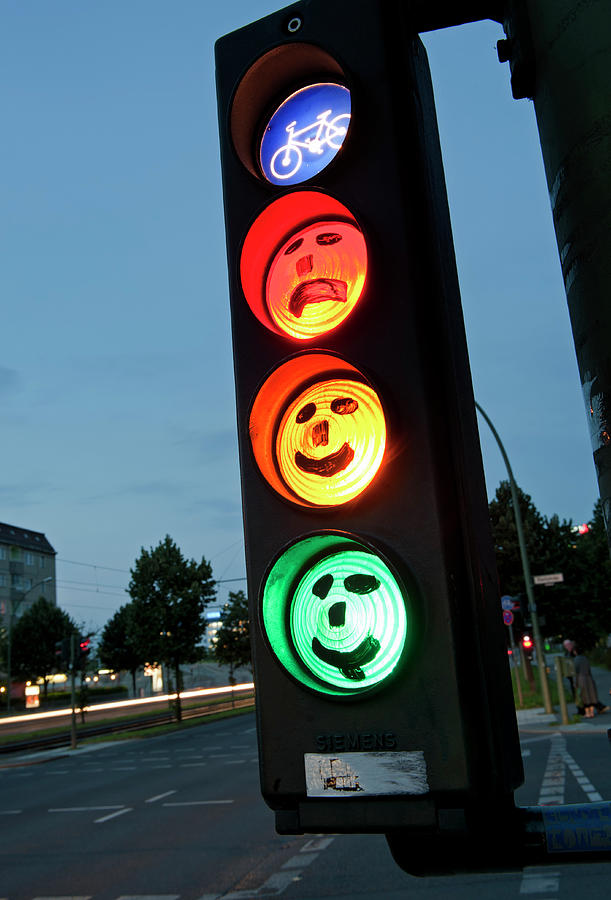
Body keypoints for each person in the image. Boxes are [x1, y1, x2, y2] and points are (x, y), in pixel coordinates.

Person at [571, 645, 608, 718]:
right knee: (591, 696)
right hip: (589, 678)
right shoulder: (585, 658)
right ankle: (592, 712)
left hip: (581, 679)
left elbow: (576, 672)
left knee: (584, 697)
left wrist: (575, 683)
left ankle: (587, 713)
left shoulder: (576, 660)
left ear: (575, 652)